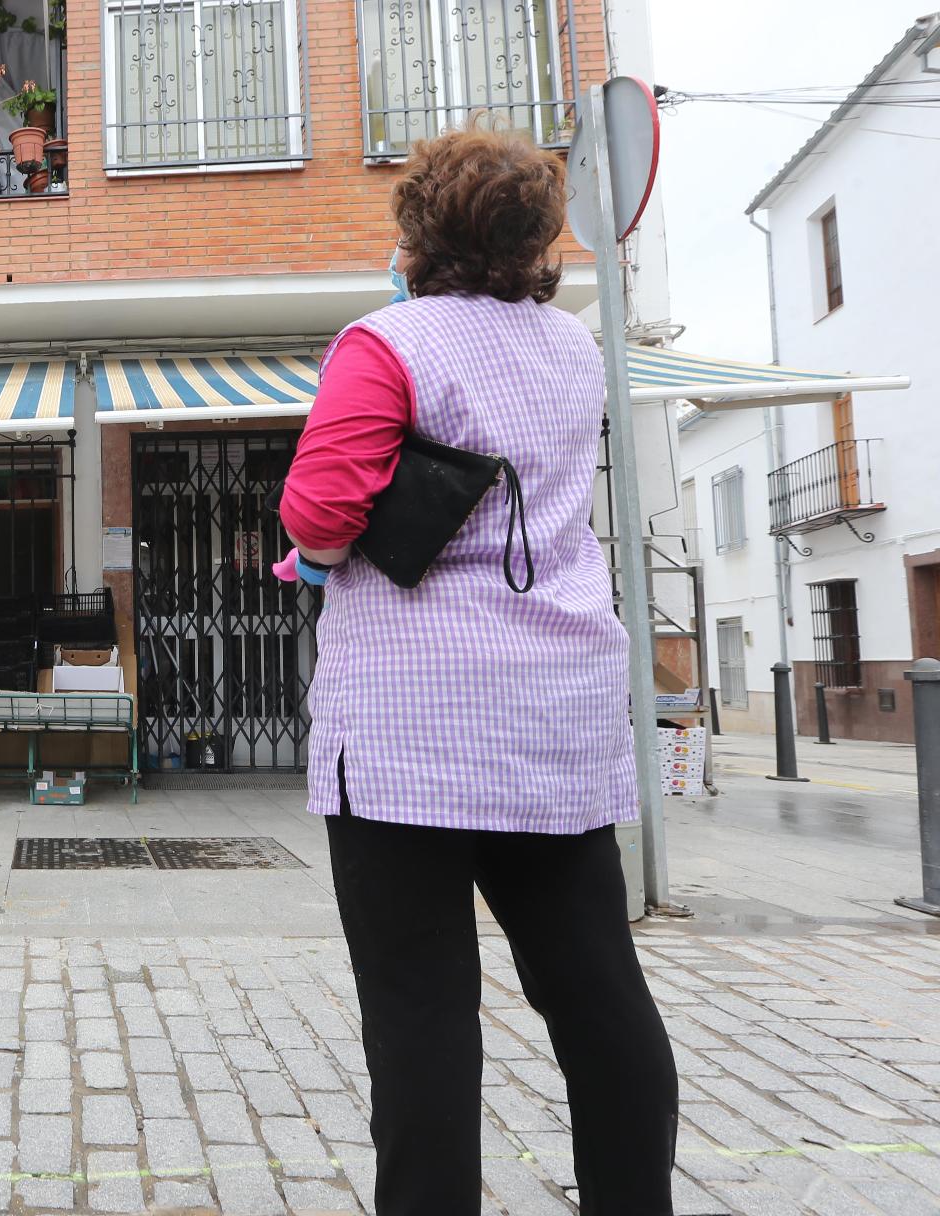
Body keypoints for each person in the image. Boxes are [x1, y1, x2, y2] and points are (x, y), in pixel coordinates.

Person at [277, 128, 678, 1216]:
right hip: (554, 716)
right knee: (598, 996)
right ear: (536, 240)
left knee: (422, 1018)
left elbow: (320, 511)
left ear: (419, 229)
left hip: (410, 732)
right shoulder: (574, 348)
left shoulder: (386, 343)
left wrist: (316, 558)